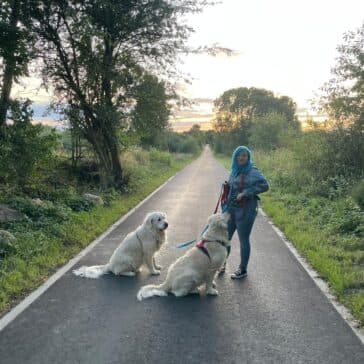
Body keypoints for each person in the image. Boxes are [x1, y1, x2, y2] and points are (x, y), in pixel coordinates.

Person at [220, 146, 269, 279]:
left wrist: (246, 193)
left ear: (248, 157)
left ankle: (242, 269)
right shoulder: (234, 170)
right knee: (225, 238)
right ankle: (221, 264)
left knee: (243, 239)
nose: (241, 158)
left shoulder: (252, 171)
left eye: (244, 156)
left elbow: (265, 185)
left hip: (246, 210)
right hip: (230, 209)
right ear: (235, 157)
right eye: (238, 155)